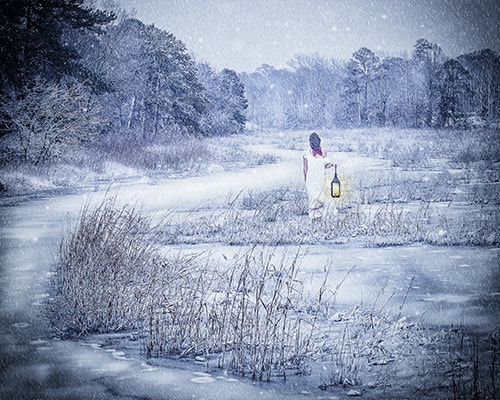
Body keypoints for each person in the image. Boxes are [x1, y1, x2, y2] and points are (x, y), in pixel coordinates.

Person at [302, 132, 333, 223]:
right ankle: (314, 220)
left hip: (321, 179)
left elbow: (326, 165)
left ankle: (320, 219)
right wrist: (306, 181)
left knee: (321, 199)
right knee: (313, 200)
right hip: (311, 180)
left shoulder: (323, 152)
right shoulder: (305, 153)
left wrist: (331, 165)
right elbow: (305, 168)